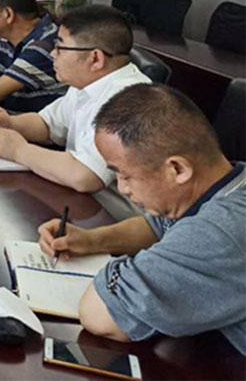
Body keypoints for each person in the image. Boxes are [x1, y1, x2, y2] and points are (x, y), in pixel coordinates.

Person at [37, 84, 245, 354]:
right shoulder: (228, 180)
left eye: (125, 175)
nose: (122, 188)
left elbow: (100, 315)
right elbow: (156, 227)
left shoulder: (219, 232)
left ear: (177, 169)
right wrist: (91, 240)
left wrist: (131, 272)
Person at [0, 5, 151, 192]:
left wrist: (19, 150)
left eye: (60, 48)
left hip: (112, 205)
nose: (52, 54)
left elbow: (86, 176)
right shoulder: (87, 82)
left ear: (95, 59)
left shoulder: (131, 99)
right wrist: (9, 122)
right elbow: (48, 124)